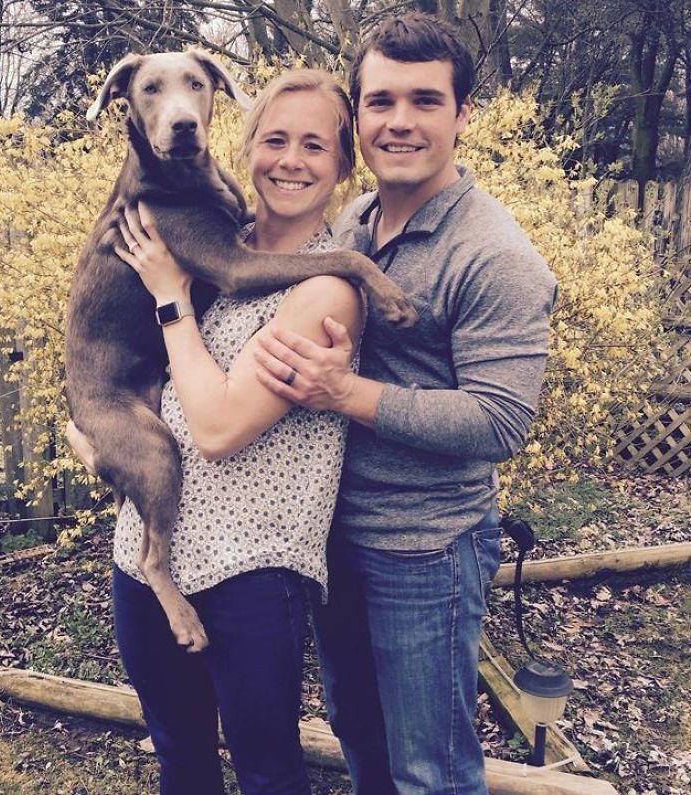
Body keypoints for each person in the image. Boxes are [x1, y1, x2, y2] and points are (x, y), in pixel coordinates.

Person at [254, 14, 559, 795]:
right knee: (362, 737)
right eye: (380, 101)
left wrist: (344, 391)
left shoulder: (494, 254)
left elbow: (499, 420)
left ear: (462, 115)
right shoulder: (353, 222)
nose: (398, 122)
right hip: (332, 537)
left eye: (425, 100)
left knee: (432, 770)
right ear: (357, 116)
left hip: (425, 549)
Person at [67, 69, 363, 795]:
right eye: (275, 140)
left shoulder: (323, 287)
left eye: (315, 146)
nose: (291, 160)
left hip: (251, 573)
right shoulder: (203, 234)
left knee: (266, 772)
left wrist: (172, 298)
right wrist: (96, 435)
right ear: (247, 145)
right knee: (181, 758)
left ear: (343, 165)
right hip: (147, 559)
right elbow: (108, 339)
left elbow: (218, 426)